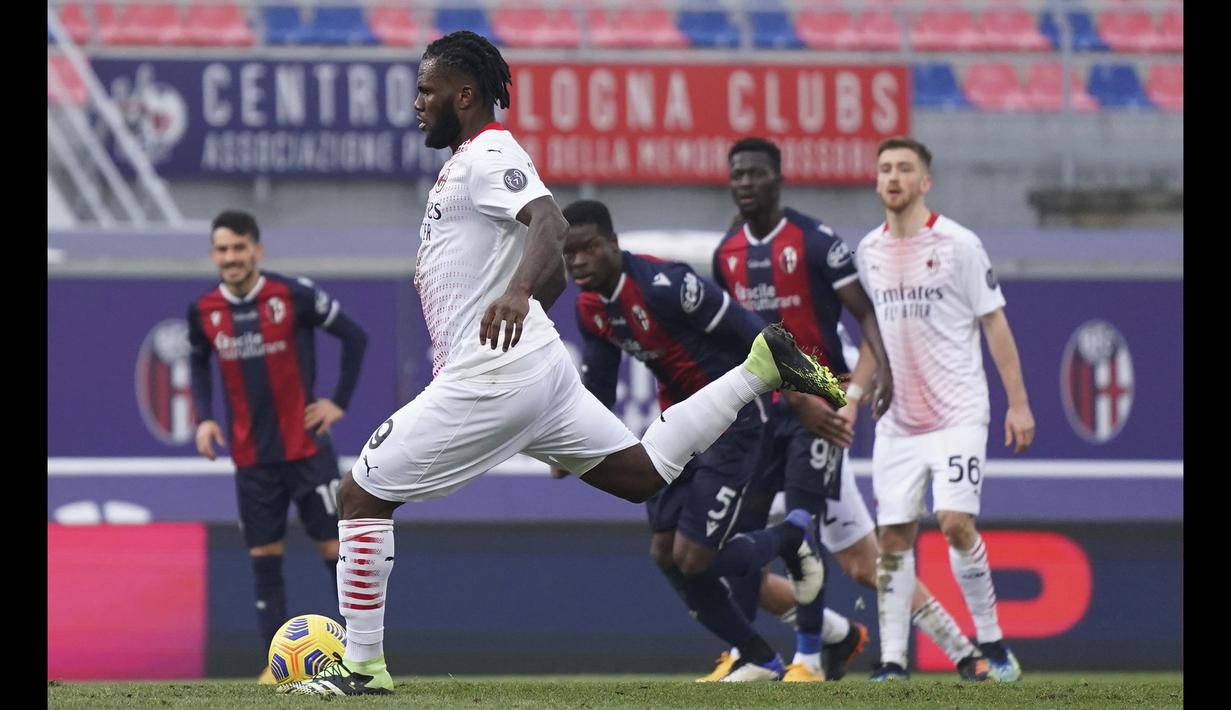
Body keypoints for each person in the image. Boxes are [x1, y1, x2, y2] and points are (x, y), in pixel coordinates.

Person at [278, 31, 846, 696]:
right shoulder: (468, 161)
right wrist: (527, 293)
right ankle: (762, 366)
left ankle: (362, 669)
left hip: (492, 375)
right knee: (640, 474)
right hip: (534, 368)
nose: (417, 103)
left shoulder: (488, 152)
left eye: (427, 91)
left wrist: (516, 294)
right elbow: (541, 262)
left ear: (465, 95)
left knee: (360, 494)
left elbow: (548, 221)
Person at [706, 136, 988, 683]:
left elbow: (871, 320)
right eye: (736, 174)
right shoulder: (726, 255)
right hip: (769, 421)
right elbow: (734, 343)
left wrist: (851, 395)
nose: (744, 183)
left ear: (778, 179)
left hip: (822, 413)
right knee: (855, 562)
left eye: (755, 174)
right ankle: (839, 638)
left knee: (798, 528)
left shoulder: (816, 242)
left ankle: (809, 656)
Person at [560, 198, 826, 682]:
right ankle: (758, 656)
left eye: (587, 249)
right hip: (675, 428)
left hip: (733, 423)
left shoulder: (667, 286)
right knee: (666, 554)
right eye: (567, 253)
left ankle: (790, 536)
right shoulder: (590, 309)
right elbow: (598, 385)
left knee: (694, 557)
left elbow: (752, 333)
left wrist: (801, 395)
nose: (576, 262)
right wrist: (569, 444)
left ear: (613, 245)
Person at [856, 136, 1035, 682]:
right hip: (899, 422)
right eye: (885, 168)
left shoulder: (959, 244)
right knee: (892, 540)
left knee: (955, 523)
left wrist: (1019, 404)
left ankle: (994, 643)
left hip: (958, 413)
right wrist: (854, 395)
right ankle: (891, 661)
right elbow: (874, 337)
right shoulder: (869, 251)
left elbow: (994, 321)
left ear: (925, 181)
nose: (893, 177)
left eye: (905, 169)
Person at [187, 209, 369, 683]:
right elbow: (198, 362)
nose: (231, 258)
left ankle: (359, 658)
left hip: (308, 450)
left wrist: (338, 403)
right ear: (214, 254)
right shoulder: (203, 311)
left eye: (239, 248)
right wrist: (205, 417)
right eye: (222, 250)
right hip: (252, 460)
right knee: (263, 558)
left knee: (336, 549)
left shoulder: (293, 294)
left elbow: (355, 337)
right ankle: (275, 667)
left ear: (256, 251)